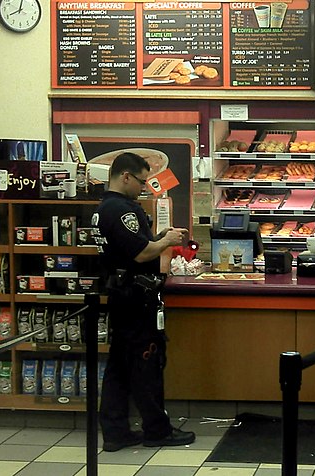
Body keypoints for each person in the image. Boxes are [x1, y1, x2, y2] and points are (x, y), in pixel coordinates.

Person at [91, 152, 195, 452]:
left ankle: (115, 431)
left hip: (120, 294)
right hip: (137, 298)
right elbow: (140, 254)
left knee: (119, 367)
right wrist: (167, 241)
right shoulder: (123, 210)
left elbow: (130, 246)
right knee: (147, 362)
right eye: (141, 181)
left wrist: (159, 236)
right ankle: (157, 430)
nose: (144, 188)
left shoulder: (103, 208)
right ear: (125, 176)